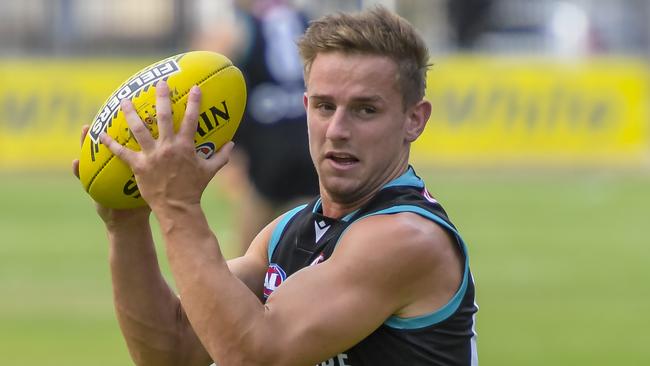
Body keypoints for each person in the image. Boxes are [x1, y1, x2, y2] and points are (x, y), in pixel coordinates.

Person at [74, 6, 478, 365]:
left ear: (414, 120)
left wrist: (178, 207)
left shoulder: (407, 239)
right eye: (324, 106)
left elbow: (254, 354)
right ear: (305, 108)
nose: (337, 130)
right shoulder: (285, 233)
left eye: (365, 110)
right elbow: (172, 350)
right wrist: (126, 225)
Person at [193, 0, 319, 255]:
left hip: (268, 144)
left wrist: (229, 153)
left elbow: (203, 72)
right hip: (309, 136)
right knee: (313, 242)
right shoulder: (309, 21)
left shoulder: (237, 26)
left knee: (250, 251)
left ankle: (242, 290)